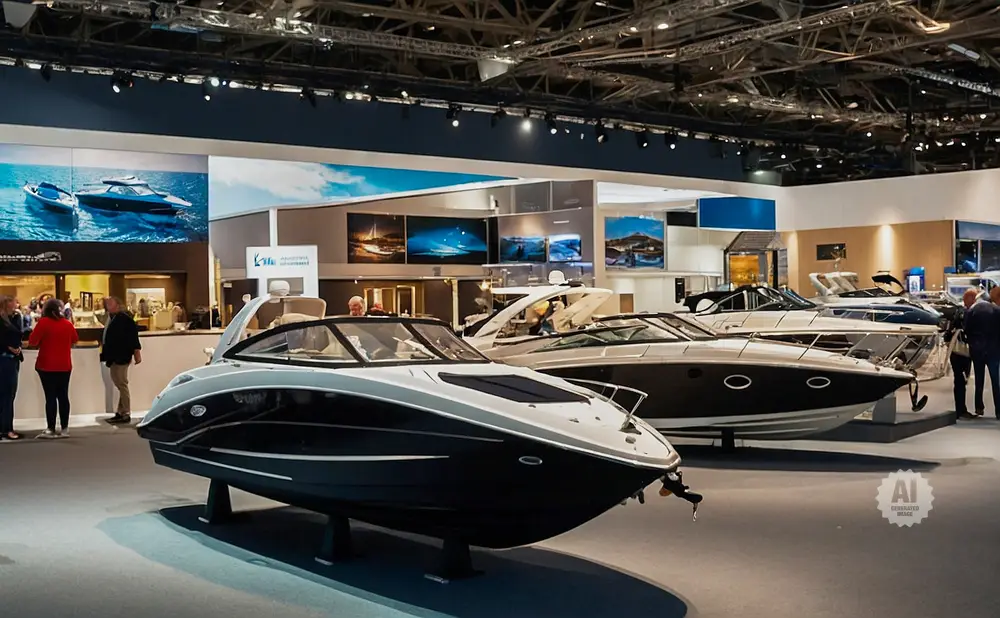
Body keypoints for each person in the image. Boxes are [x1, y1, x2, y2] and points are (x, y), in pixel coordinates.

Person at [28, 298, 78, 438]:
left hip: (46, 365)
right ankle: (65, 429)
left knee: (50, 397)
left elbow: (33, 341)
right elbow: (75, 339)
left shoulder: (43, 323)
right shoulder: (67, 324)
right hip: (64, 365)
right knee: (63, 396)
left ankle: (50, 429)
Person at [100, 297, 142, 424]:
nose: (108, 305)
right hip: (113, 356)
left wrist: (136, 353)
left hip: (122, 356)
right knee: (119, 382)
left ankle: (126, 412)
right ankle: (120, 411)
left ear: (118, 305)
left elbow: (133, 337)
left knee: (122, 383)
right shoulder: (111, 318)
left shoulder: (125, 319)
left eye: (110, 303)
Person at [962, 287, 1000, 417]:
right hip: (994, 350)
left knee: (979, 380)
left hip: (977, 349)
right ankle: (998, 410)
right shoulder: (996, 310)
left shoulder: (972, 310)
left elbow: (966, 329)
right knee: (996, 380)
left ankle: (979, 407)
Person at [944, 289, 976, 420]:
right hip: (961, 353)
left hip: (955, 351)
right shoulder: (965, 313)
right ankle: (961, 410)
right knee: (961, 380)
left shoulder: (957, 312)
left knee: (960, 381)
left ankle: (961, 409)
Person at [0, 296, 23, 440]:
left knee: (9, 395)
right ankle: (6, 429)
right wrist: (9, 347)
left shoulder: (13, 318)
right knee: (6, 395)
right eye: (13, 302)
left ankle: (6, 427)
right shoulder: (2, 321)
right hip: (4, 359)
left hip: (13, 359)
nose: (16, 304)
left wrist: (18, 348)